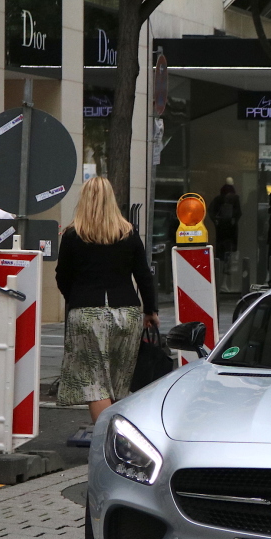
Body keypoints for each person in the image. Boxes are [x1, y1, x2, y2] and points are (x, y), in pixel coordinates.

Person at [55, 176, 158, 424]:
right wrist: (150, 310)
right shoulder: (128, 233)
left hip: (86, 312)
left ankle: (105, 441)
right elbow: (143, 275)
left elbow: (62, 276)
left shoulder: (72, 235)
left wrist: (75, 299)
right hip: (127, 313)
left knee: (95, 383)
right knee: (120, 381)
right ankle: (122, 439)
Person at [208, 178, 241, 267]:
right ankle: (228, 269)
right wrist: (234, 220)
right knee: (231, 251)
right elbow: (239, 213)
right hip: (231, 228)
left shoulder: (218, 199)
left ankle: (220, 268)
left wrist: (216, 221)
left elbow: (210, 211)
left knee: (221, 251)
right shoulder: (235, 199)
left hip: (221, 228)